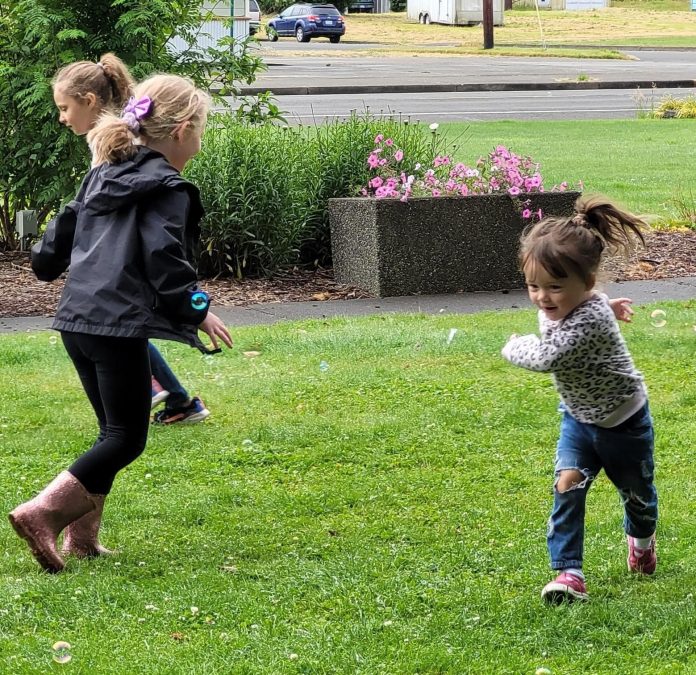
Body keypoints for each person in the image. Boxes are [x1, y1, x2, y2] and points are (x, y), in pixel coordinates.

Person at [9, 73, 233, 573]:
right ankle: (42, 513)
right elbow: (165, 260)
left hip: (77, 320)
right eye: (201, 129)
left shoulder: (102, 172)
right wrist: (198, 308)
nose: (200, 140)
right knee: (126, 438)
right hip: (115, 324)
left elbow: (60, 234)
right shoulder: (169, 188)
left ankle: (82, 540)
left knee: (111, 430)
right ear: (182, 131)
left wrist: (46, 260)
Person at [501, 195, 658, 604]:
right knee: (566, 487)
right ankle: (568, 574)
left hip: (624, 422)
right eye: (533, 286)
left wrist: (512, 345)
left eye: (555, 287)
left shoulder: (586, 320)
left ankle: (642, 542)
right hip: (578, 421)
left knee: (638, 497)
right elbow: (583, 309)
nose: (542, 298)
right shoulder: (575, 304)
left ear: (586, 283)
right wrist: (609, 303)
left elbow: (546, 356)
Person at [51, 54, 210, 424]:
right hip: (106, 301)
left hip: (101, 299)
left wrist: (195, 308)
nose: (61, 116)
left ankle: (170, 395)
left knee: (119, 437)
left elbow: (160, 252)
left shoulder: (114, 157)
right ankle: (174, 397)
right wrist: (197, 308)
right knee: (120, 438)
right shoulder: (144, 163)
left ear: (89, 101)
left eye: (64, 107)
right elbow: (162, 252)